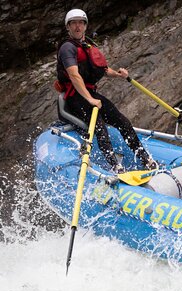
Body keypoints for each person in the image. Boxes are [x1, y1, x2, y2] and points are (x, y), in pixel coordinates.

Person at [56, 8, 157, 173]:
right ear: (68, 27)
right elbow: (74, 75)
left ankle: (145, 158)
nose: (77, 26)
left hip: (90, 94)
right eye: (73, 23)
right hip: (75, 96)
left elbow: (103, 69)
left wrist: (118, 74)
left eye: (80, 23)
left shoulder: (87, 45)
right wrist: (89, 99)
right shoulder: (67, 48)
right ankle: (115, 166)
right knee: (100, 127)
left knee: (122, 121)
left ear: (85, 26)